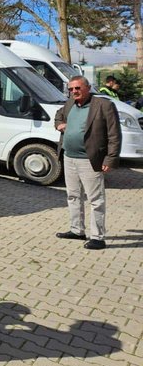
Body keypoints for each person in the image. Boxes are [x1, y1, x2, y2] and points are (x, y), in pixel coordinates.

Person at [55, 76, 121, 250]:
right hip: (68, 157)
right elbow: (58, 115)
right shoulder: (70, 103)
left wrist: (110, 158)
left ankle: (98, 237)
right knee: (73, 195)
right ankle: (77, 230)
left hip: (90, 160)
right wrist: (59, 125)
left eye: (77, 88)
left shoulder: (103, 105)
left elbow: (114, 135)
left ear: (88, 87)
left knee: (96, 200)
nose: (74, 92)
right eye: (71, 89)